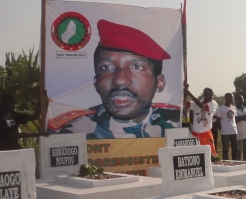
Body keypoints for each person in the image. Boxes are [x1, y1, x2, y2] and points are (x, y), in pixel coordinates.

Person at [48, 19, 180, 138]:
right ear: (96, 83)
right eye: (107, 67)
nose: (120, 80)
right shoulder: (69, 133)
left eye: (136, 67)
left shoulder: (178, 124)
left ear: (160, 82)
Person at [184, 85, 218, 156]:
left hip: (206, 135)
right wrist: (184, 93)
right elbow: (187, 104)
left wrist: (189, 93)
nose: (212, 97)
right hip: (195, 135)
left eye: (212, 95)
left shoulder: (213, 103)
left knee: (209, 156)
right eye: (210, 95)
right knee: (195, 156)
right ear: (205, 95)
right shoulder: (196, 103)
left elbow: (202, 106)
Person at [214, 93, 239, 160]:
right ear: (226, 98)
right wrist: (222, 129)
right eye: (230, 98)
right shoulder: (222, 108)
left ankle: (235, 161)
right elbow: (217, 121)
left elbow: (235, 119)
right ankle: (225, 161)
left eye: (232, 98)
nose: (232, 99)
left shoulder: (234, 108)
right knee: (225, 148)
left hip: (234, 131)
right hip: (225, 132)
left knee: (235, 148)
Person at [234, 94, 246, 161]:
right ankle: (239, 162)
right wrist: (243, 117)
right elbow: (235, 119)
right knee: (239, 150)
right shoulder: (234, 109)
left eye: (242, 98)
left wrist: (240, 117)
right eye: (240, 99)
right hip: (239, 132)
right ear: (236, 100)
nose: (242, 100)